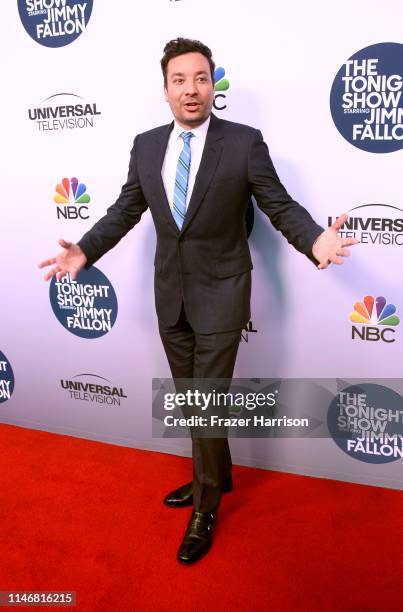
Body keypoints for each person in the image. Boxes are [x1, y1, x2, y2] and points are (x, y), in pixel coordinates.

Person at [39, 38, 358, 565]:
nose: (192, 89)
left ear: (214, 84)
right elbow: (125, 209)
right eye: (180, 80)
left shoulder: (243, 142)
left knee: (205, 403)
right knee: (194, 402)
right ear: (165, 89)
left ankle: (206, 506)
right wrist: (86, 250)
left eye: (201, 78)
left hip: (223, 293)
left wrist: (314, 240)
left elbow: (277, 204)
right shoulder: (145, 146)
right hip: (172, 294)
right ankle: (220, 477)